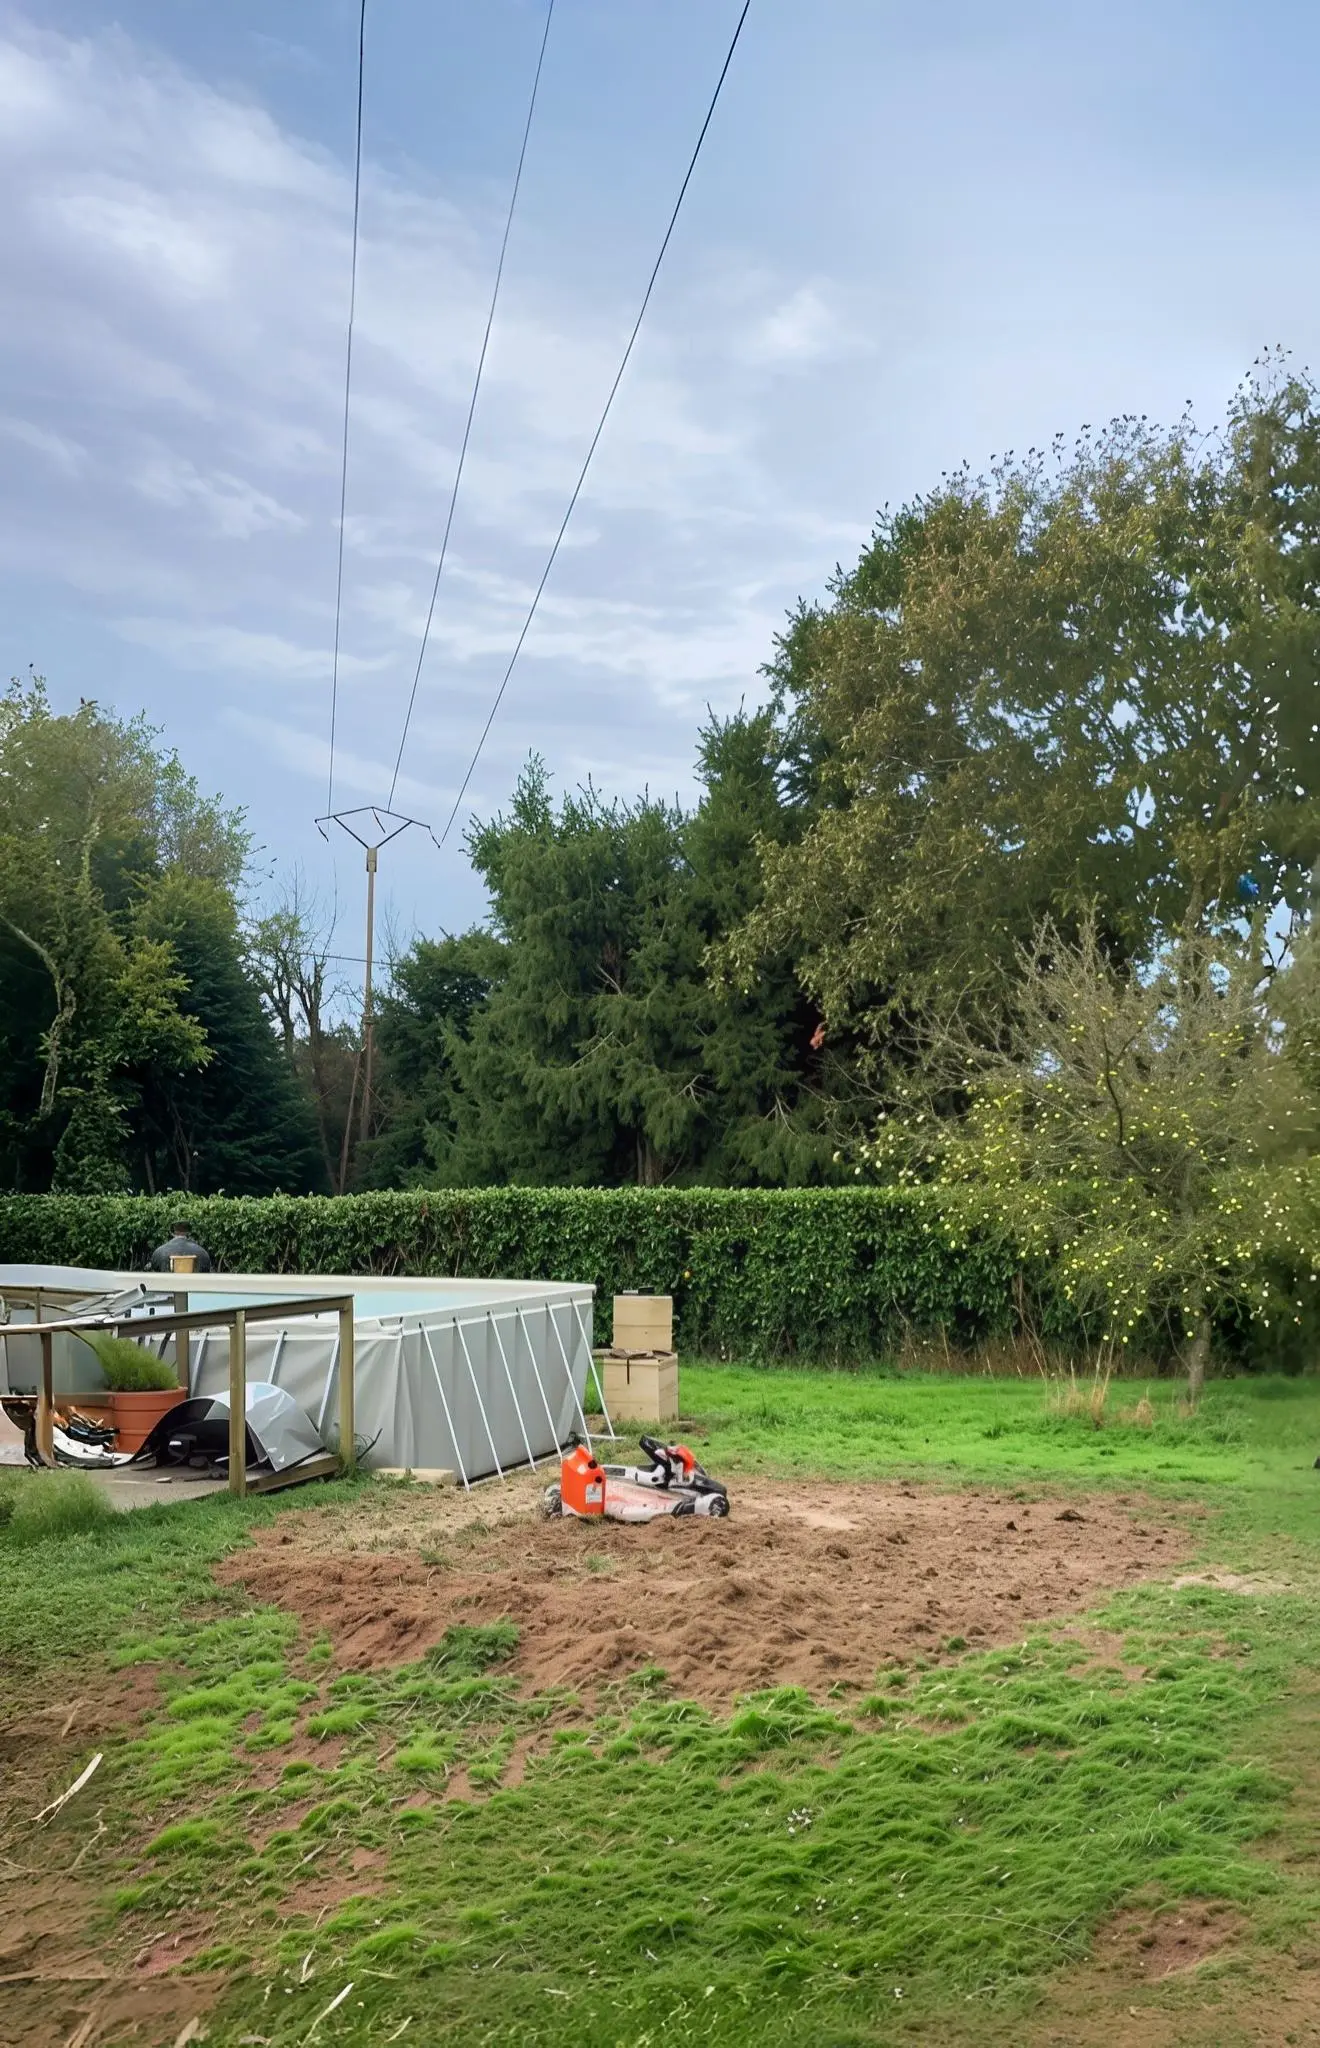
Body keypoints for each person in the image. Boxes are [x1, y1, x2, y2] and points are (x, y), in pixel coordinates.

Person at [149, 1222, 213, 1273]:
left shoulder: (159, 1252)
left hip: (167, 1285)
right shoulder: (202, 1253)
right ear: (188, 1233)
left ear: (172, 1233)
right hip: (194, 1285)